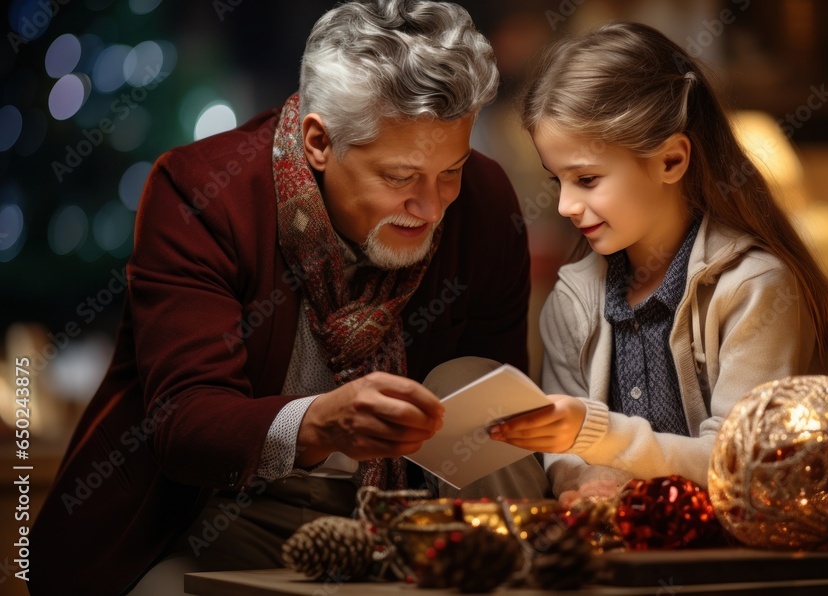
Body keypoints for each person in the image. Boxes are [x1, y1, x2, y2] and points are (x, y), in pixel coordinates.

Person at [30, 2, 546, 594]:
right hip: (220, 512)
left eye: (449, 170)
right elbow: (187, 422)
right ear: (319, 141)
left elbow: (497, 413)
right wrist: (319, 423)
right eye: (400, 178)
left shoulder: (484, 202)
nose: (432, 208)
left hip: (415, 512)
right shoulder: (201, 194)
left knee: (473, 382)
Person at [490, 22, 828, 505]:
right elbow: (564, 459)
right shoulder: (571, 299)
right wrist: (582, 483)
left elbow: (739, 461)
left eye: (585, 178)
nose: (564, 205)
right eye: (556, 179)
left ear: (670, 160)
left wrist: (594, 433)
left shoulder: (756, 288)